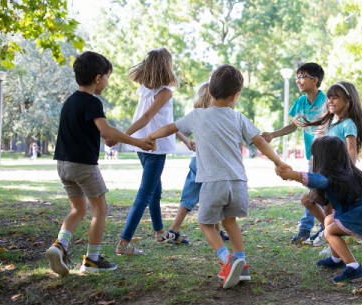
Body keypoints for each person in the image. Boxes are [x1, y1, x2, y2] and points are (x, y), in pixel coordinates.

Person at [144, 64, 291, 289]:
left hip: (213, 183)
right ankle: (243, 266)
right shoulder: (239, 118)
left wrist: (151, 136)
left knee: (205, 223)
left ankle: (228, 259)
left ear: (209, 92)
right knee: (230, 222)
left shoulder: (197, 116)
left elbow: (171, 128)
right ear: (236, 96)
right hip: (238, 183)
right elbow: (259, 140)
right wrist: (278, 162)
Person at [45, 51, 154, 276]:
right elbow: (105, 129)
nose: (107, 81)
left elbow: (87, 130)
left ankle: (60, 245)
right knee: (99, 210)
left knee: (78, 209)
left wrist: (104, 136)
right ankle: (92, 260)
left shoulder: (70, 102)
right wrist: (138, 142)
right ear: (97, 78)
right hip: (83, 166)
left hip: (63, 165)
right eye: (107, 77)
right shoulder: (92, 102)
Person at [107, 48, 194, 256]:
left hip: (143, 146)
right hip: (154, 147)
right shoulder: (164, 92)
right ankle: (124, 243)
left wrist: (184, 139)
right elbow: (146, 118)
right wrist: (120, 136)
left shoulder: (146, 90)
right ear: (166, 66)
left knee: (155, 191)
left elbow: (166, 121)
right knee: (145, 194)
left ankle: (159, 232)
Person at [278, 136, 362, 282]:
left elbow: (318, 179)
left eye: (314, 155)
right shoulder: (344, 173)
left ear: (324, 158)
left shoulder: (333, 176)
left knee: (329, 231)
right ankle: (336, 260)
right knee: (329, 221)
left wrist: (294, 175)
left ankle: (354, 268)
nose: (312, 158)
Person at [294, 81, 362, 248]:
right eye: (329, 97)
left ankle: (331, 243)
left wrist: (347, 174)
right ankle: (326, 230)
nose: (330, 101)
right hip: (324, 174)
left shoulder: (348, 124)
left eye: (336, 97)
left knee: (329, 210)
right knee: (307, 200)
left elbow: (351, 151)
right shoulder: (328, 123)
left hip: (337, 176)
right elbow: (318, 148)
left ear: (348, 102)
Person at [261, 63, 326, 243]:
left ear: (315, 80)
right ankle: (314, 229)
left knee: (318, 194)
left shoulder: (327, 101)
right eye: (297, 77)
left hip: (327, 158)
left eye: (302, 76)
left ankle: (311, 229)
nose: (298, 80)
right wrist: (273, 134)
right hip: (311, 157)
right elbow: (292, 126)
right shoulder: (300, 102)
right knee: (312, 192)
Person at [166, 82, 229, 245]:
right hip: (209, 163)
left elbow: (176, 127)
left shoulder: (197, 115)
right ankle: (215, 231)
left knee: (188, 197)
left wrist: (190, 142)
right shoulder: (217, 115)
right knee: (214, 197)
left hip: (196, 160)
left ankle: (174, 230)